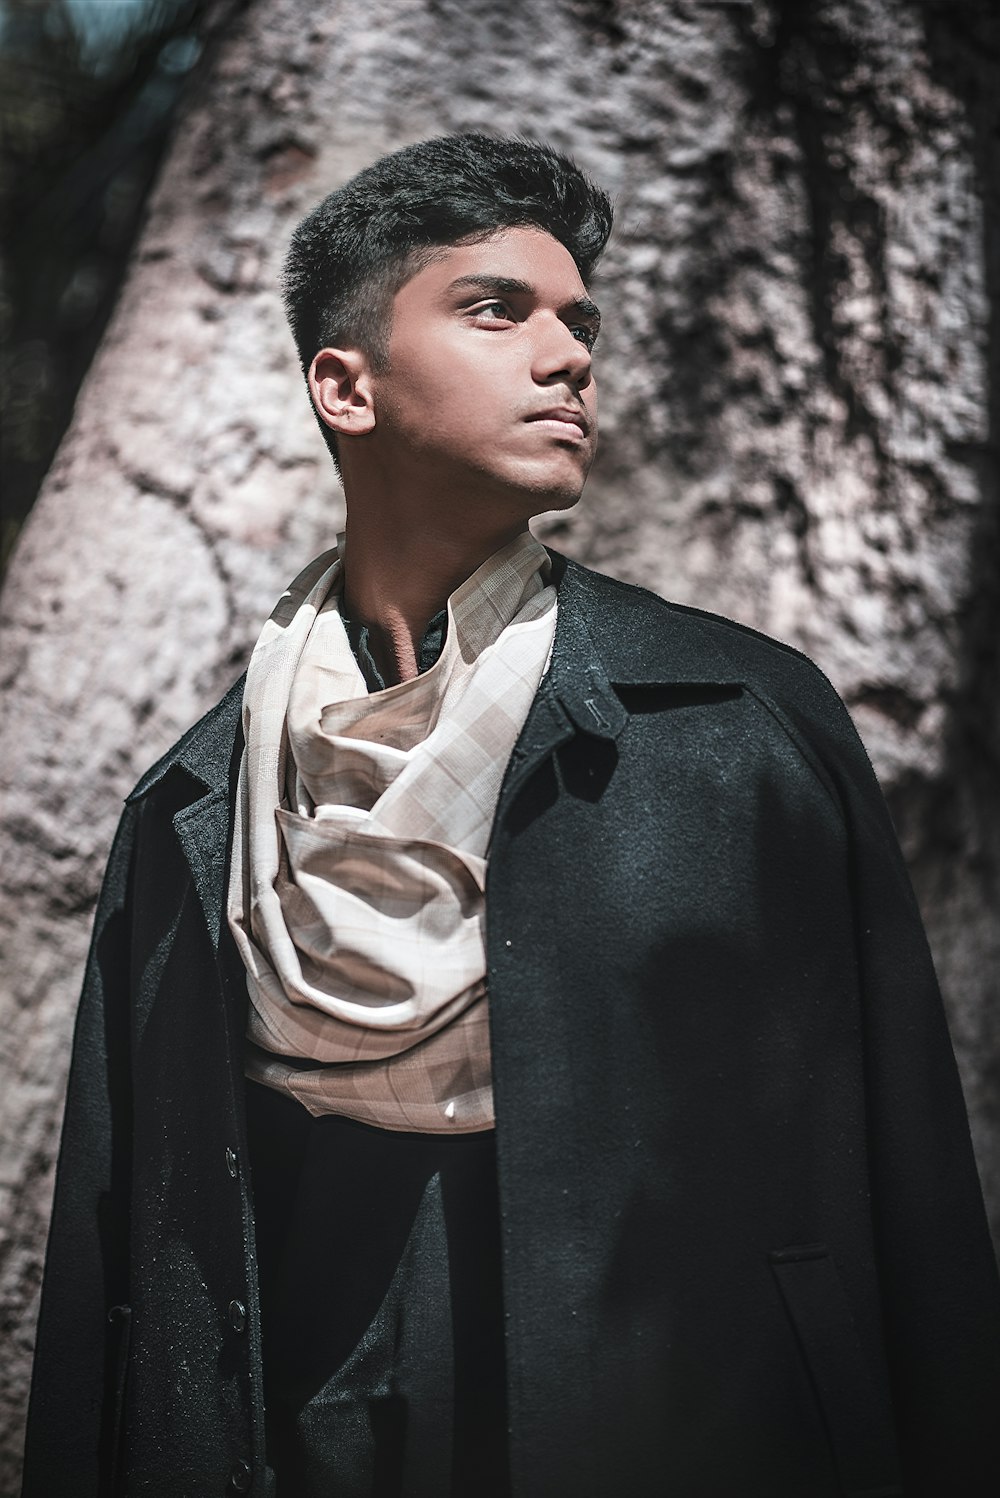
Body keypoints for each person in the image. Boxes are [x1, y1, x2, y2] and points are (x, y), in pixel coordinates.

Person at [22, 133, 1000, 1498]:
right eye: (497, 310)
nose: (569, 357)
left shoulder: (740, 724)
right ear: (343, 384)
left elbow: (918, 1207)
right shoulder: (197, 813)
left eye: (578, 322)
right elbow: (119, 1268)